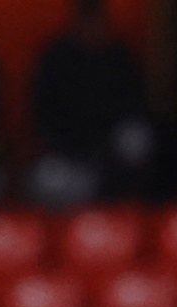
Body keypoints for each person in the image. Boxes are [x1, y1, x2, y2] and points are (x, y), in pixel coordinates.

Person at [26, 0, 149, 205]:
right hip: (69, 158)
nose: (93, 30)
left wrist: (104, 148)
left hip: (110, 156)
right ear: (76, 24)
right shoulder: (57, 59)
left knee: (136, 140)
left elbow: (136, 108)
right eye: (88, 23)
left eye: (99, 23)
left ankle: (132, 206)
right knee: (45, 179)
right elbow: (43, 115)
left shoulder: (119, 56)